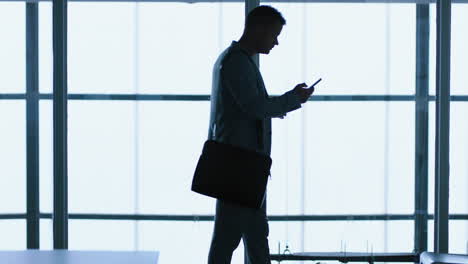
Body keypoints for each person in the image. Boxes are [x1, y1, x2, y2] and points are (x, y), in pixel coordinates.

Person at [207, 5, 315, 264]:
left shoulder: (237, 60)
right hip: (239, 169)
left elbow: (252, 105)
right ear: (258, 29)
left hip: (244, 167)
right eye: (274, 35)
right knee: (233, 238)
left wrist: (289, 99)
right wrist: (292, 99)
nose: (276, 42)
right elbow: (254, 106)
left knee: (251, 236)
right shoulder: (236, 62)